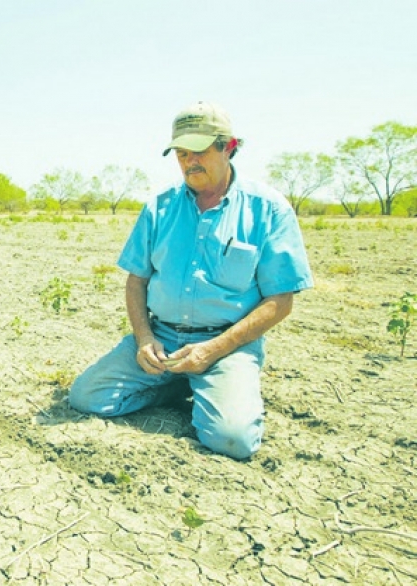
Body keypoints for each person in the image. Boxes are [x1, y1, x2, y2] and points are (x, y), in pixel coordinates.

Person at [68, 101, 313, 460]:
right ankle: (173, 383)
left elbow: (280, 301)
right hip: (162, 339)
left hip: (225, 346)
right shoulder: (159, 208)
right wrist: (144, 338)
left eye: (199, 151)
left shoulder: (268, 208)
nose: (189, 161)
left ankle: (217, 389)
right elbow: (137, 281)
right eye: (181, 153)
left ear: (229, 147)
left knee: (233, 441)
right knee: (86, 397)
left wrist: (211, 351)